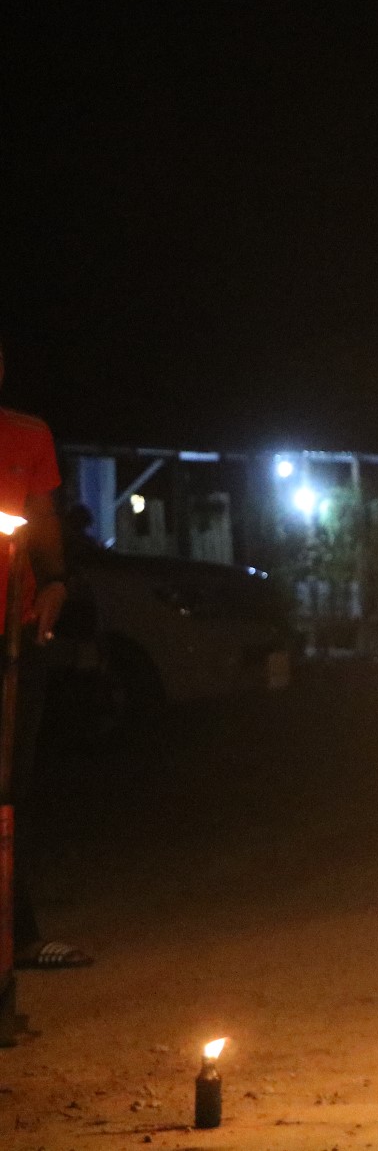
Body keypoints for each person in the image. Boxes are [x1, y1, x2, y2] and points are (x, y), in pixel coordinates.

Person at [1, 339, 88, 969]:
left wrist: (55, 582)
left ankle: (16, 933)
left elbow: (43, 516)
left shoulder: (26, 435)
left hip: (13, 631)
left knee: (9, 785)